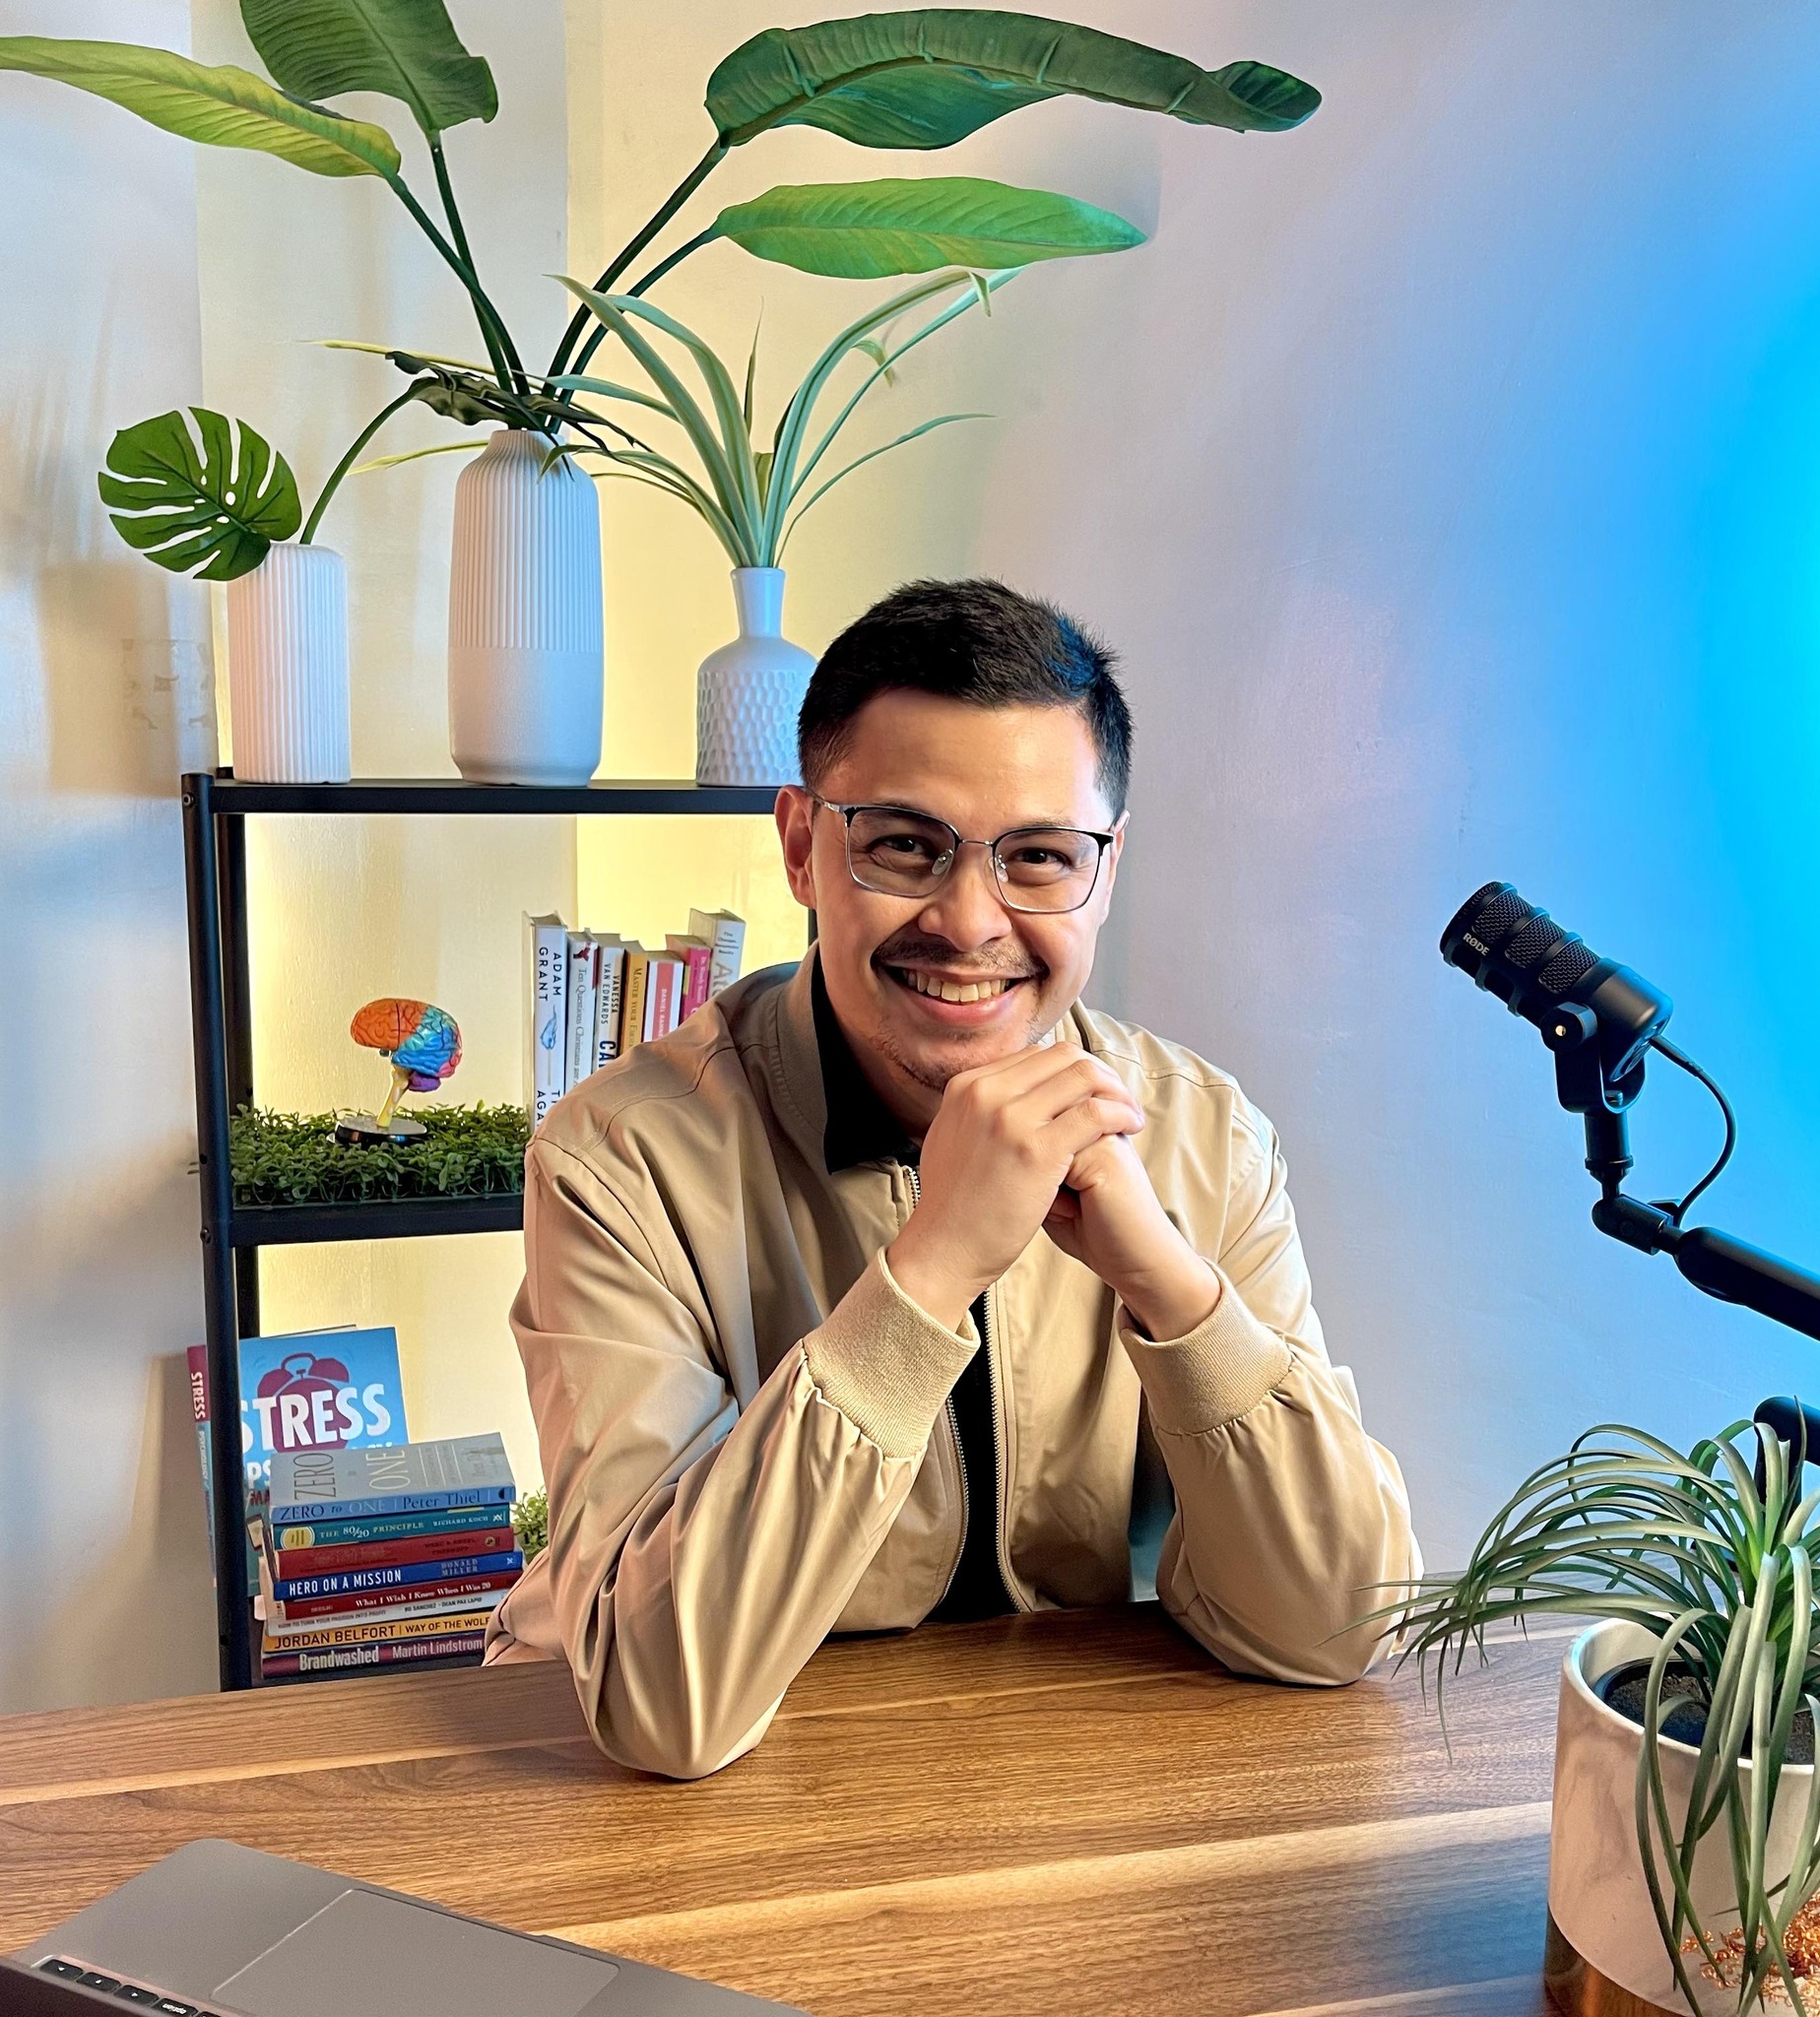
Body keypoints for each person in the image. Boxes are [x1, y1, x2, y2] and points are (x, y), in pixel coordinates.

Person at [488, 578, 1419, 1778]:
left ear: (1105, 870)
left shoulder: (1203, 1133)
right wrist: (929, 1271)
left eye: (1039, 856)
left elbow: (1333, 1629)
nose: (970, 921)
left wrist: (1171, 1288)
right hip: (671, 1798)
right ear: (800, 846)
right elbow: (661, 1701)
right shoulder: (619, 1157)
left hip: (1058, 1774)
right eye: (903, 845)